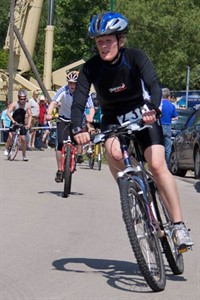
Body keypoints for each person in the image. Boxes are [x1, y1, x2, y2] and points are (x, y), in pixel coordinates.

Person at [70, 12, 193, 251]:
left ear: (120, 39)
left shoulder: (135, 57)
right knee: (113, 153)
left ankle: (178, 224)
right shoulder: (91, 68)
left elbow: (154, 84)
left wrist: (155, 109)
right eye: (99, 42)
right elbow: (78, 102)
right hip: (112, 119)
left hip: (143, 114)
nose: (103, 46)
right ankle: (133, 198)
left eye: (108, 40)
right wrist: (77, 129)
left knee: (157, 165)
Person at [5, 89, 32, 161]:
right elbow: (8, 112)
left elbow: (30, 115)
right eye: (21, 99)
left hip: (21, 123)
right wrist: (13, 121)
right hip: (14, 121)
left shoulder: (27, 105)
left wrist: (29, 124)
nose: (23, 100)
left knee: (23, 139)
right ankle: (7, 148)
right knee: (10, 136)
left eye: (24, 99)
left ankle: (24, 155)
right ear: (18, 97)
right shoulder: (14, 104)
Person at [160, 88, 178, 167]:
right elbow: (176, 118)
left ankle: (159, 163)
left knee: (159, 146)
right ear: (169, 96)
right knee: (168, 148)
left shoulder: (158, 104)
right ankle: (167, 165)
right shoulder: (171, 106)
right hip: (167, 126)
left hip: (159, 127)